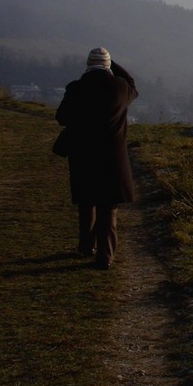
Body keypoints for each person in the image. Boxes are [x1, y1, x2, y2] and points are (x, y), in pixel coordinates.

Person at [55, 47, 138, 269]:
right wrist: (114, 62)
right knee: (107, 207)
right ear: (108, 65)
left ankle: (85, 245)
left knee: (86, 201)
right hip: (113, 158)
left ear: (88, 64)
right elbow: (131, 82)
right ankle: (105, 256)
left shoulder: (76, 88)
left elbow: (61, 117)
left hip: (83, 155)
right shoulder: (121, 88)